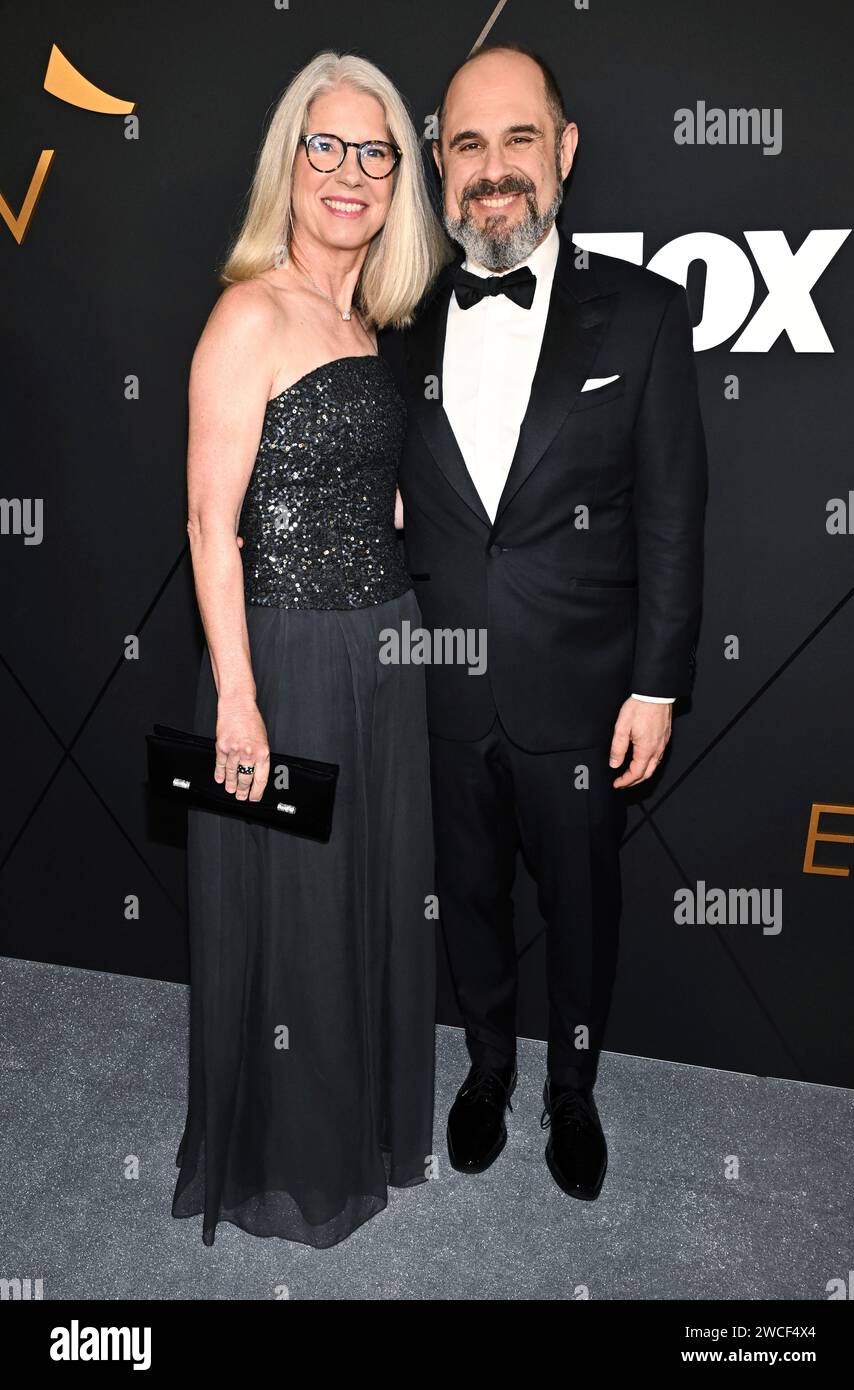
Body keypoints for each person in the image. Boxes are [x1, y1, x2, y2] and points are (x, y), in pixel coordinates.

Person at [378, 42, 708, 1201]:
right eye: (467, 143)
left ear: (563, 152)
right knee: (463, 898)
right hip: (437, 687)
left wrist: (657, 685)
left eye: (519, 138)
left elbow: (671, 518)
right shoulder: (396, 317)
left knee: (580, 913)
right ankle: (483, 1072)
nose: (493, 169)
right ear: (438, 161)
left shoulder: (644, 316)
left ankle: (573, 1090)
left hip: (581, 695)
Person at [171, 50, 451, 1248]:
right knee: (292, 914)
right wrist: (237, 699)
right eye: (324, 147)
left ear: (397, 182)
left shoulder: (366, 320)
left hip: (381, 653)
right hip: (282, 658)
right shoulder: (248, 310)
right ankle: (291, 1155)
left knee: (369, 900)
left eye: (372, 152)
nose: (348, 173)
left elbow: (361, 488)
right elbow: (207, 521)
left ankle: (365, 1128)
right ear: (289, 164)